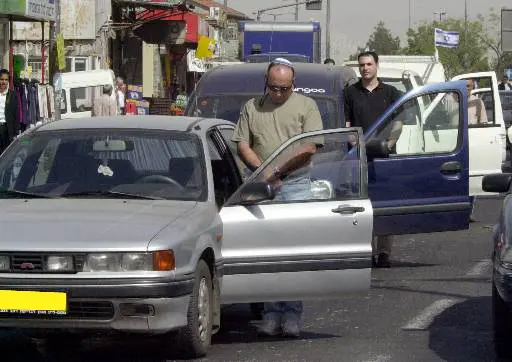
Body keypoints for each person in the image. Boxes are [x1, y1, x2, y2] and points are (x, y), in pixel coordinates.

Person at [231, 58, 323, 338]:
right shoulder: (252, 107)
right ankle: (271, 314)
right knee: (269, 253)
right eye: (274, 88)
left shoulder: (306, 106)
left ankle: (292, 315)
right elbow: (242, 144)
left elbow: (310, 146)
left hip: (296, 183)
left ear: (292, 84)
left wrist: (280, 171)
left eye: (284, 88)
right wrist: (265, 172)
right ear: (266, 83)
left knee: (293, 254)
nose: (279, 93)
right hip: (262, 186)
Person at [343, 51, 403, 268]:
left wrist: (389, 144)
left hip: (386, 157)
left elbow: (398, 122)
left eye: (369, 64)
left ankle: (384, 252)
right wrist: (355, 146)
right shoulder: (350, 93)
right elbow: (347, 124)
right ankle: (367, 251)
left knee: (384, 205)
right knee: (363, 206)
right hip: (359, 158)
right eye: (362, 65)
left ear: (377, 65)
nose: (365, 68)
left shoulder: (391, 92)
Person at [0, 69, 20, 153]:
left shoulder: (13, 95)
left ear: (8, 81)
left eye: (6, 80)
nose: (3, 82)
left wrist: (15, 133)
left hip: (7, 129)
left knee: (6, 154)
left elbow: (16, 114)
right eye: (1, 79)